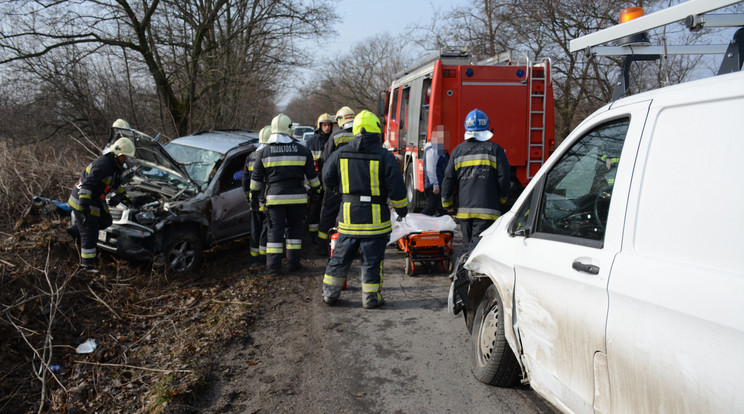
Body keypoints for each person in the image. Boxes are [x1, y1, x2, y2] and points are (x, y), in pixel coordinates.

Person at [321, 110, 408, 309]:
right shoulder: (385, 156)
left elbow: (327, 178)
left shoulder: (339, 154)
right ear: (376, 131)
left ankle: (329, 294)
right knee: (372, 262)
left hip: (349, 218)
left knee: (340, 258)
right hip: (375, 221)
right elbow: (397, 188)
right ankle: (370, 299)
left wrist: (341, 193)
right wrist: (402, 211)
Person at [250, 114, 321, 274]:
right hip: (298, 199)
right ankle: (293, 263)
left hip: (274, 199)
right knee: (294, 230)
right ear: (289, 129)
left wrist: (253, 197)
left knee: (274, 231)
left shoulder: (264, 152)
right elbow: (312, 178)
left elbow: (256, 179)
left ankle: (274, 268)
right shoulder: (302, 150)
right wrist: (316, 192)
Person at [441, 109, 511, 251]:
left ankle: (463, 271)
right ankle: (464, 271)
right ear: (486, 127)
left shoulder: (458, 151)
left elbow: (448, 179)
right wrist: (503, 200)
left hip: (464, 211)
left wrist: (447, 203)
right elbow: (504, 178)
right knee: (478, 248)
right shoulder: (495, 150)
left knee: (468, 246)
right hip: (488, 209)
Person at [68, 135, 135, 273]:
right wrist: (84, 206)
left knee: (106, 220)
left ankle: (76, 229)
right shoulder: (103, 165)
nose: (126, 159)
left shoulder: (115, 166)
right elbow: (88, 184)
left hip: (95, 199)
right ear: (118, 154)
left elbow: (115, 184)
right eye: (125, 156)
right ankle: (88, 265)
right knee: (89, 232)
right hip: (83, 199)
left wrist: (124, 197)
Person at [317, 106, 356, 250]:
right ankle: (351, 247)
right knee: (352, 216)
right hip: (356, 183)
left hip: (337, 183)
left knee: (328, 213)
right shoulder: (360, 135)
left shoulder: (336, 136)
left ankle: (322, 246)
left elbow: (326, 160)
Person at [303, 113, 335, 249]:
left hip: (330, 180)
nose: (327, 128)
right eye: (324, 125)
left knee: (329, 209)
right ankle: (313, 235)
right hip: (315, 181)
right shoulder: (311, 142)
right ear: (319, 126)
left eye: (329, 125)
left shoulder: (334, 140)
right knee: (314, 208)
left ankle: (329, 233)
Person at [243, 125, 271, 259]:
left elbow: (245, 178)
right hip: (266, 200)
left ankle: (254, 255)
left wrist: (247, 195)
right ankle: (263, 256)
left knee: (255, 229)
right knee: (266, 229)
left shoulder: (250, 157)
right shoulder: (269, 156)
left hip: (254, 200)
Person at [421, 132, 449, 216]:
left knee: (440, 208)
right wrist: (435, 184)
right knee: (431, 207)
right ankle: (418, 222)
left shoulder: (438, 149)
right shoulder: (433, 150)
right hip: (434, 185)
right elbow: (430, 168)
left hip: (439, 183)